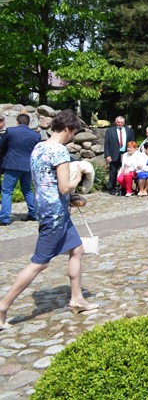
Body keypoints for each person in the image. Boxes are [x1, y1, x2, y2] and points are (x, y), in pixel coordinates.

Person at [0, 110, 98, 329]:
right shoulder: (59, 151)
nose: (73, 137)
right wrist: (77, 177)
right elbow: (64, 187)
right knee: (39, 262)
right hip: (55, 213)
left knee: (77, 249)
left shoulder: (39, 147)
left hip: (47, 207)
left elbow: (44, 180)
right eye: (73, 133)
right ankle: (3, 306)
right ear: (67, 129)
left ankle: (77, 298)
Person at [0, 113, 40, 225]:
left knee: (7, 191)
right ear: (29, 123)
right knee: (27, 189)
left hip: (12, 164)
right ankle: (33, 213)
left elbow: (1, 145)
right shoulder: (36, 135)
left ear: (17, 122)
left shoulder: (11, 131)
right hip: (28, 166)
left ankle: (4, 218)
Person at [103, 116, 134, 194]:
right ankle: (111, 188)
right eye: (118, 122)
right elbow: (106, 144)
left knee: (124, 171)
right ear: (115, 122)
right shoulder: (110, 131)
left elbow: (132, 143)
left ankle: (124, 188)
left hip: (126, 154)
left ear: (124, 122)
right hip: (114, 154)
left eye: (121, 122)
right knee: (113, 172)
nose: (120, 124)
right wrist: (107, 155)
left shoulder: (129, 131)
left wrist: (132, 154)